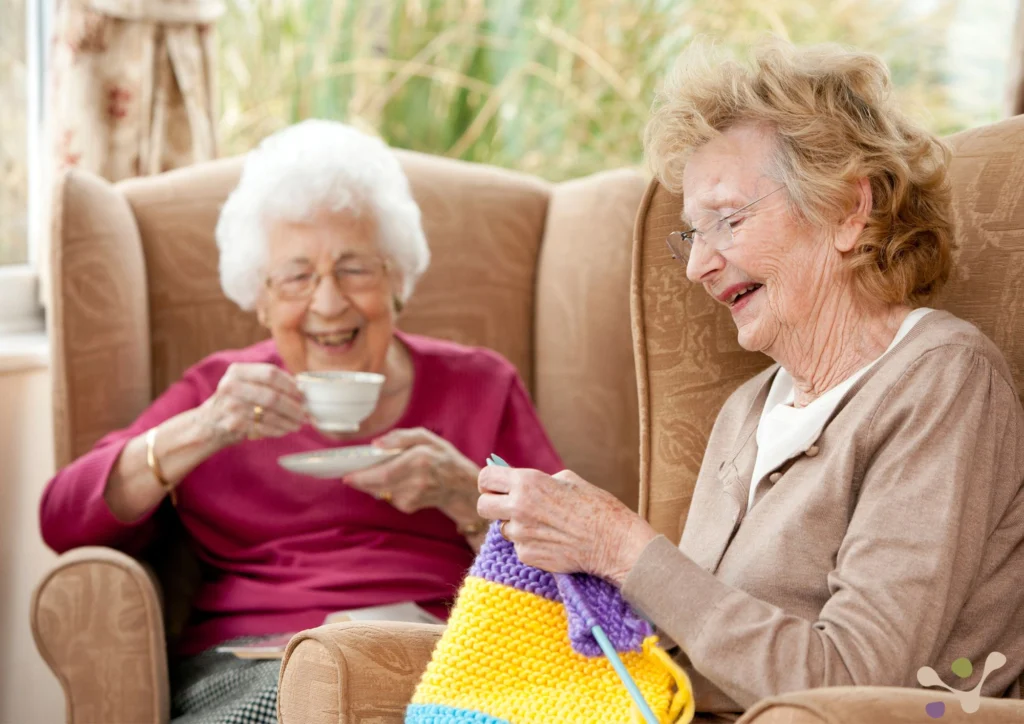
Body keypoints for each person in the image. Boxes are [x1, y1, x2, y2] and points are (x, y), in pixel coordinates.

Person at [478, 40, 1024, 719]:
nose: (696, 266)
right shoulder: (746, 411)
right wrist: (576, 552)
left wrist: (622, 545)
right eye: (691, 234)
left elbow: (851, 681)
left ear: (849, 211)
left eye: (729, 221)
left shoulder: (941, 380)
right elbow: (698, 650)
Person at [39, 119, 563, 724]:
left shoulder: (480, 384)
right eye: (296, 276)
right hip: (256, 665)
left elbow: (570, 576)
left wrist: (465, 498)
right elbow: (63, 519)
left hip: (440, 659)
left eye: (355, 269)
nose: (328, 302)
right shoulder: (220, 392)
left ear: (398, 282)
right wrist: (205, 427)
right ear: (259, 298)